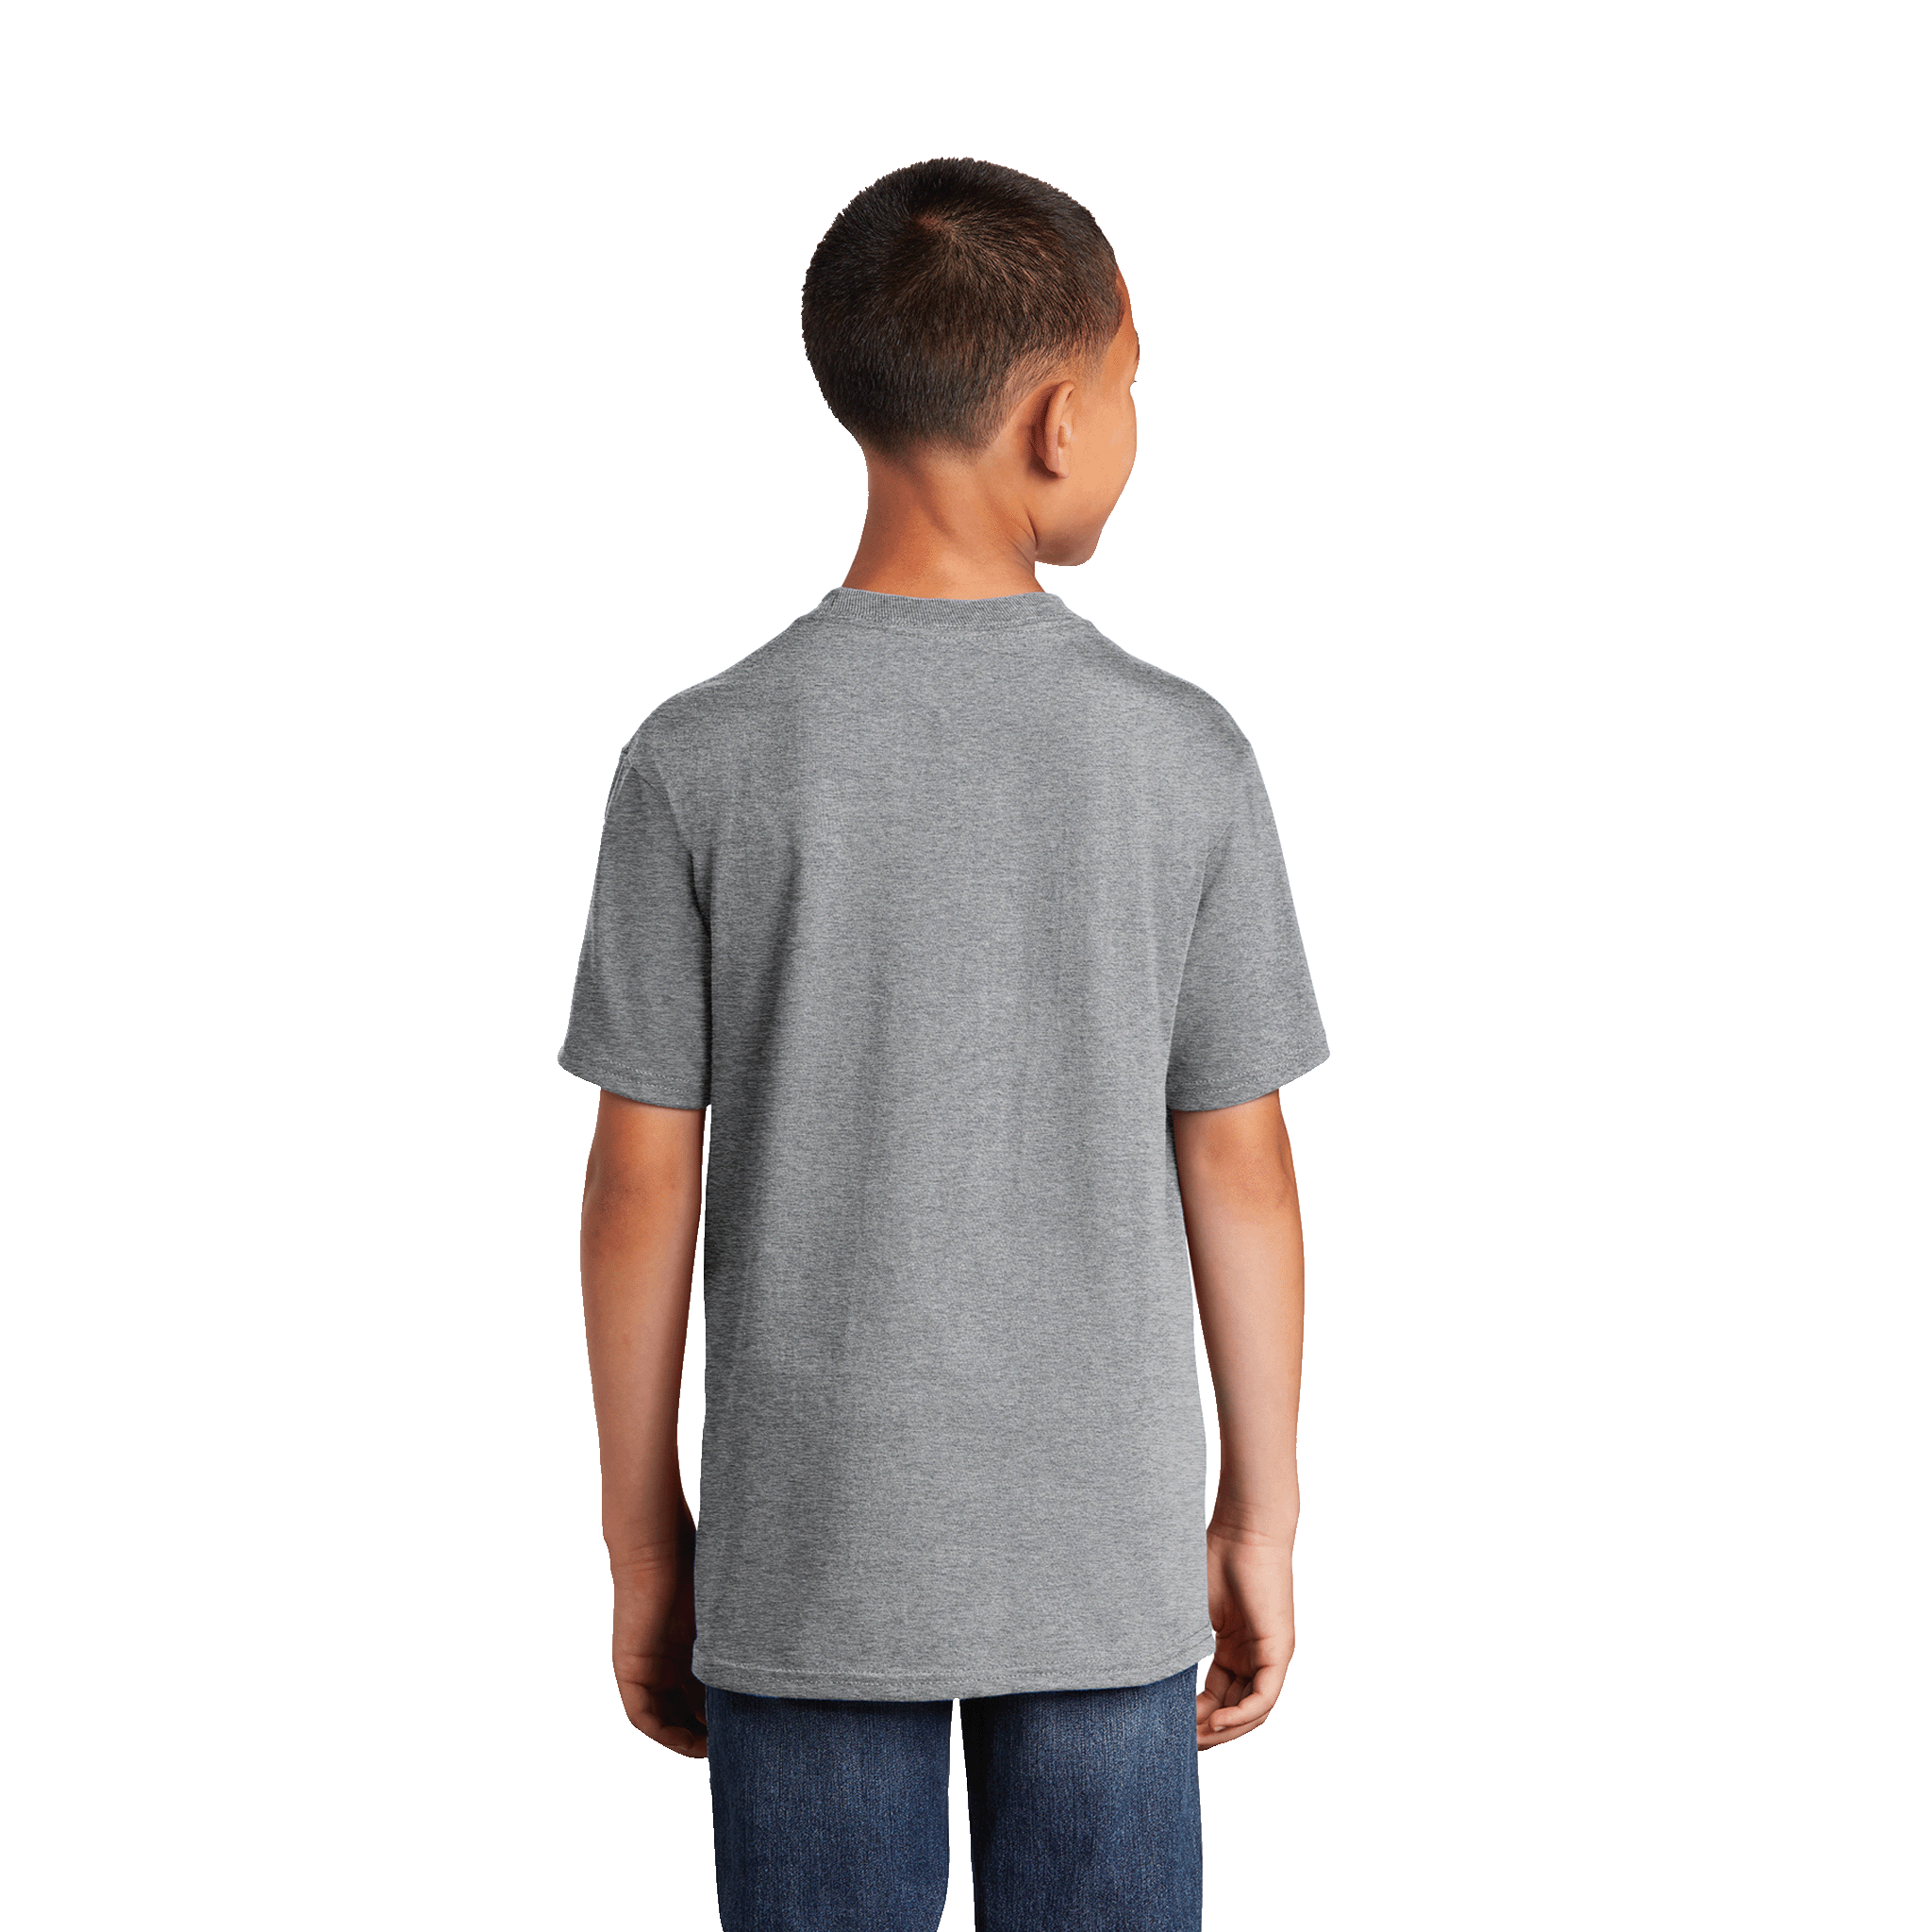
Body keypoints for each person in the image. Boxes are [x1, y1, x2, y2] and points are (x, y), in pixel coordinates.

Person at [560, 157, 1327, 1931]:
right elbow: (1243, 1165)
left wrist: (643, 1535)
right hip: (1102, 1554)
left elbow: (637, 1183)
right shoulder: (1183, 756)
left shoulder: (699, 757)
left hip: (808, 1556)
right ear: (1059, 418)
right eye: (1130, 387)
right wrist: (1258, 1518)